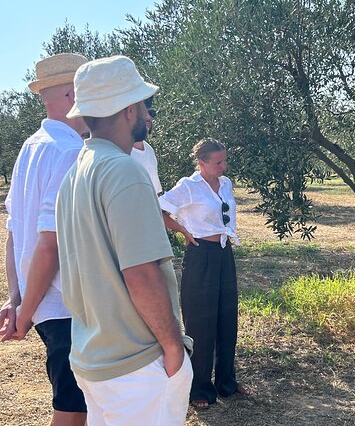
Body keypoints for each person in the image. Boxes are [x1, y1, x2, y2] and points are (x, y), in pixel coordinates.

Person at [55, 55, 193, 425]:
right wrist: (173, 348)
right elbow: (142, 274)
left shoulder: (74, 176)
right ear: (129, 109)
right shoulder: (125, 171)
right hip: (136, 366)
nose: (149, 115)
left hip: (93, 358)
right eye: (145, 105)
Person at [0, 53, 89, 426]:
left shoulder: (30, 148)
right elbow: (51, 246)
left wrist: (16, 298)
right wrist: (24, 312)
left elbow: (15, 234)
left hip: (45, 307)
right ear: (72, 94)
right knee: (71, 412)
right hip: (65, 307)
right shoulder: (70, 153)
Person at [159, 138, 250, 409]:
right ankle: (199, 388)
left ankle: (226, 383)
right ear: (202, 163)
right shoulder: (188, 186)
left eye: (225, 160)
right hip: (200, 256)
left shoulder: (226, 183)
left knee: (226, 319)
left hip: (224, 254)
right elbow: (160, 210)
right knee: (200, 323)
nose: (224, 165)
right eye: (218, 162)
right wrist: (184, 231)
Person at [131, 98, 162, 194]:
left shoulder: (149, 150)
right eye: (144, 111)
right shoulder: (120, 150)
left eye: (152, 113)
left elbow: (155, 192)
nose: (149, 117)